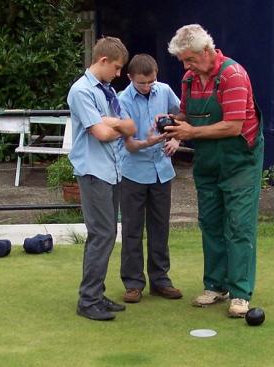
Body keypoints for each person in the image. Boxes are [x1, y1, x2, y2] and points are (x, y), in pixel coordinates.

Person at [166, 24, 264, 317]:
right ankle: (215, 286)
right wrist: (172, 121)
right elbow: (186, 113)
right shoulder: (189, 79)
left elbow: (233, 126)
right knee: (209, 222)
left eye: (190, 59)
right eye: (183, 60)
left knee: (239, 225)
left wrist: (190, 132)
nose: (186, 66)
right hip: (208, 161)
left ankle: (240, 293)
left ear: (206, 51)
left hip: (240, 161)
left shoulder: (233, 75)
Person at [67, 36, 137, 321]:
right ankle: (88, 300)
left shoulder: (106, 90)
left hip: (112, 170)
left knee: (105, 234)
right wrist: (113, 125)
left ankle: (95, 293)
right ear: (103, 61)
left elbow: (130, 126)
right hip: (94, 172)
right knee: (103, 234)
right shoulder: (81, 91)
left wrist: (111, 122)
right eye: (117, 68)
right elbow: (102, 134)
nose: (119, 75)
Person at [118, 54, 183, 303]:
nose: (147, 87)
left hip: (162, 171)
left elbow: (181, 116)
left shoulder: (164, 90)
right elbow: (130, 145)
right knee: (132, 229)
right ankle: (133, 284)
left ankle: (160, 281)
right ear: (130, 78)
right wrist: (149, 141)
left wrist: (177, 138)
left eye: (151, 82)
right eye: (142, 83)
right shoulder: (122, 100)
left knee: (160, 227)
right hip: (133, 171)